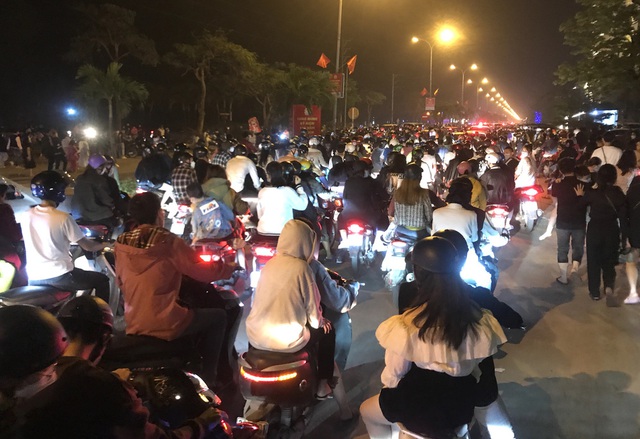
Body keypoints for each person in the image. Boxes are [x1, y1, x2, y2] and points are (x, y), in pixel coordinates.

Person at [0, 305, 223, 438]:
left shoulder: (17, 404)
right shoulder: (94, 386)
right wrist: (202, 424)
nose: (55, 368)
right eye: (52, 365)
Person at [360, 236, 507, 439]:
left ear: (418, 275)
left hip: (415, 410)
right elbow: (480, 369)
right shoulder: (478, 318)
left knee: (366, 412)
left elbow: (394, 375)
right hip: (459, 408)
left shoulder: (407, 324)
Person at [114, 192, 239, 386]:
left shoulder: (121, 243)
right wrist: (227, 267)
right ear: (158, 214)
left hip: (133, 321)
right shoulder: (168, 241)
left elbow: (120, 281)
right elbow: (201, 271)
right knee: (218, 317)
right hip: (166, 321)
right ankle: (209, 379)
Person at [245, 219, 336, 398]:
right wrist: (322, 321)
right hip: (286, 340)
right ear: (305, 243)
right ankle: (322, 385)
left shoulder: (269, 265)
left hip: (255, 337)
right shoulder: (301, 268)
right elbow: (313, 311)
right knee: (328, 332)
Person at [24, 171, 110, 302]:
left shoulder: (26, 215)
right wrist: (107, 244)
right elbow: (88, 246)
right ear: (58, 191)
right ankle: (102, 320)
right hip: (60, 275)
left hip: (34, 276)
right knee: (102, 280)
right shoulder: (63, 218)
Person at [575, 164, 628, 304]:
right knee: (609, 261)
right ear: (614, 177)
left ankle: (595, 292)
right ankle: (609, 287)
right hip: (611, 229)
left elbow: (580, 207)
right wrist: (624, 239)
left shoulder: (593, 193)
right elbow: (623, 219)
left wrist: (581, 196)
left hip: (595, 229)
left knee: (593, 261)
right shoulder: (618, 193)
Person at [551, 158, 589, 284]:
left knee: (562, 248)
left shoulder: (557, 184)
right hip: (579, 222)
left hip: (562, 221)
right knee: (578, 247)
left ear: (561, 169)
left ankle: (563, 276)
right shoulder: (583, 184)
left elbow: (554, 199)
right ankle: (574, 269)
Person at [256, 161, 308, 235]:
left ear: (268, 175)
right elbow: (302, 205)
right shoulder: (287, 191)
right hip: (284, 232)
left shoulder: (262, 192)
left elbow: (260, 214)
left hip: (263, 231)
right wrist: (299, 187)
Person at [386, 164, 433, 241]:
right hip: (419, 233)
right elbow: (429, 216)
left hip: (400, 231)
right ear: (419, 177)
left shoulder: (397, 192)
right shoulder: (424, 193)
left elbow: (390, 212)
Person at [70, 154, 117, 227]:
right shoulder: (99, 180)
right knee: (118, 224)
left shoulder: (79, 178)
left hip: (78, 215)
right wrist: (113, 205)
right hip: (96, 215)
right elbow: (106, 199)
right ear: (100, 167)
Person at [623, 176, 640, 304]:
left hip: (635, 230)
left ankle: (633, 293)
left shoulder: (633, 191)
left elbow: (625, 214)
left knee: (631, 261)